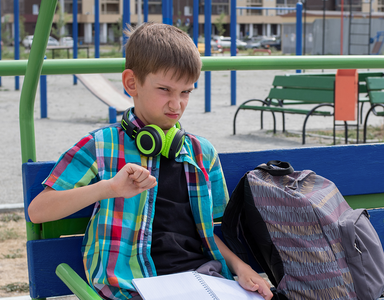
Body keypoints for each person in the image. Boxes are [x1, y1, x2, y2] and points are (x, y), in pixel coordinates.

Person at [28, 23, 272, 300]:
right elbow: (38, 211)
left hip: (201, 279)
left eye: (185, 92)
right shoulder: (101, 146)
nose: (176, 104)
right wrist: (108, 189)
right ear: (132, 83)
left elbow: (207, 231)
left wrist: (241, 267)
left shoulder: (201, 152)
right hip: (131, 285)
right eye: (165, 90)